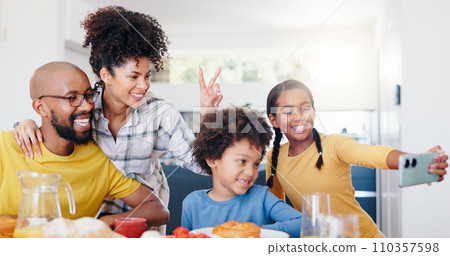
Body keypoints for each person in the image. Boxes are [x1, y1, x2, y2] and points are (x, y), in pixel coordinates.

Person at [12, 6, 221, 227]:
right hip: (91, 224)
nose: (144, 85)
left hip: (144, 219)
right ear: (106, 75)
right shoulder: (85, 108)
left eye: (147, 76)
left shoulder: (160, 113)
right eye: (133, 76)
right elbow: (55, 125)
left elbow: (203, 165)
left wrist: (209, 116)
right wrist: (27, 124)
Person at [265, 79, 448, 238]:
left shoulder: (334, 145)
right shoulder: (275, 157)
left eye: (305, 108)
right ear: (273, 120)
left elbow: (372, 154)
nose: (299, 116)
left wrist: (416, 162)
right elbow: (276, 209)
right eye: (288, 111)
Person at [0, 62, 169, 229]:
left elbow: (157, 209)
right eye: (72, 98)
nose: (87, 106)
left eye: (89, 95)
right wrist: (42, 226)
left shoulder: (99, 159)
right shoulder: (4, 146)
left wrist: (103, 222)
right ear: (40, 108)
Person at [181, 107, 302, 238]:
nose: (251, 172)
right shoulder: (192, 203)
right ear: (212, 159)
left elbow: (303, 223)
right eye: (241, 161)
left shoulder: (262, 198)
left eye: (256, 164)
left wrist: (255, 232)